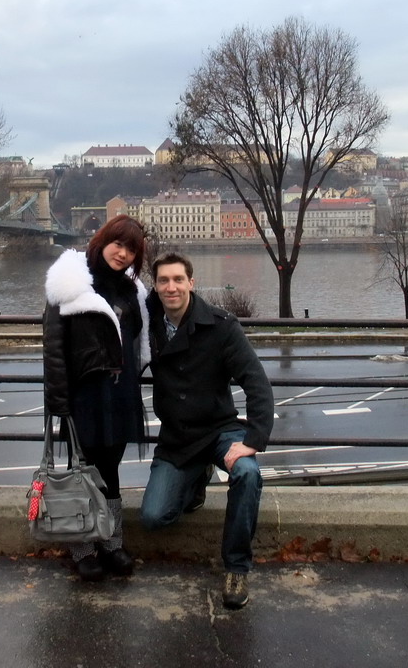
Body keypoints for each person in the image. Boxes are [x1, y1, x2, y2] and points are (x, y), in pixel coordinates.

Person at [140, 251, 274, 609]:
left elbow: (257, 383)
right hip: (178, 437)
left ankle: (236, 568)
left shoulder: (221, 325)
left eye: (178, 280)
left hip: (218, 428)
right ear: (155, 287)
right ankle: (196, 479)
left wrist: (253, 439)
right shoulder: (147, 322)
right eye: (164, 281)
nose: (171, 287)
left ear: (191, 283)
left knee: (247, 473)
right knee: (154, 518)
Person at [42, 215, 150, 582]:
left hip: (120, 395)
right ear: (103, 240)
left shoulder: (132, 291)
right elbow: (54, 349)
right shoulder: (70, 282)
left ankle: (111, 542)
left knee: (111, 471)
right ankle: (83, 549)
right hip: (84, 395)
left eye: (131, 249)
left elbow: (139, 342)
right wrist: (60, 404)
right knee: (82, 472)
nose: (122, 253)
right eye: (118, 243)